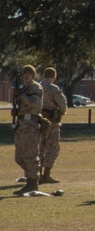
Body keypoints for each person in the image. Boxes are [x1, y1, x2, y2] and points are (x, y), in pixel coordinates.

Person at [11, 65, 43, 195]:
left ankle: (32, 182)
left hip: (31, 125)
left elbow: (34, 103)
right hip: (21, 124)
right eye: (25, 73)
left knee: (30, 154)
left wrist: (22, 95)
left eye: (29, 73)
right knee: (19, 156)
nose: (27, 75)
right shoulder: (23, 88)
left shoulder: (36, 87)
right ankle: (31, 177)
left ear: (33, 75)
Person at [38, 67, 68, 185]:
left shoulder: (37, 87)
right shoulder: (53, 88)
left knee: (40, 147)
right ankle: (46, 175)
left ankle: (37, 174)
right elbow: (63, 104)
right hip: (51, 121)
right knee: (52, 147)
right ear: (54, 77)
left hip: (38, 121)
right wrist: (60, 112)